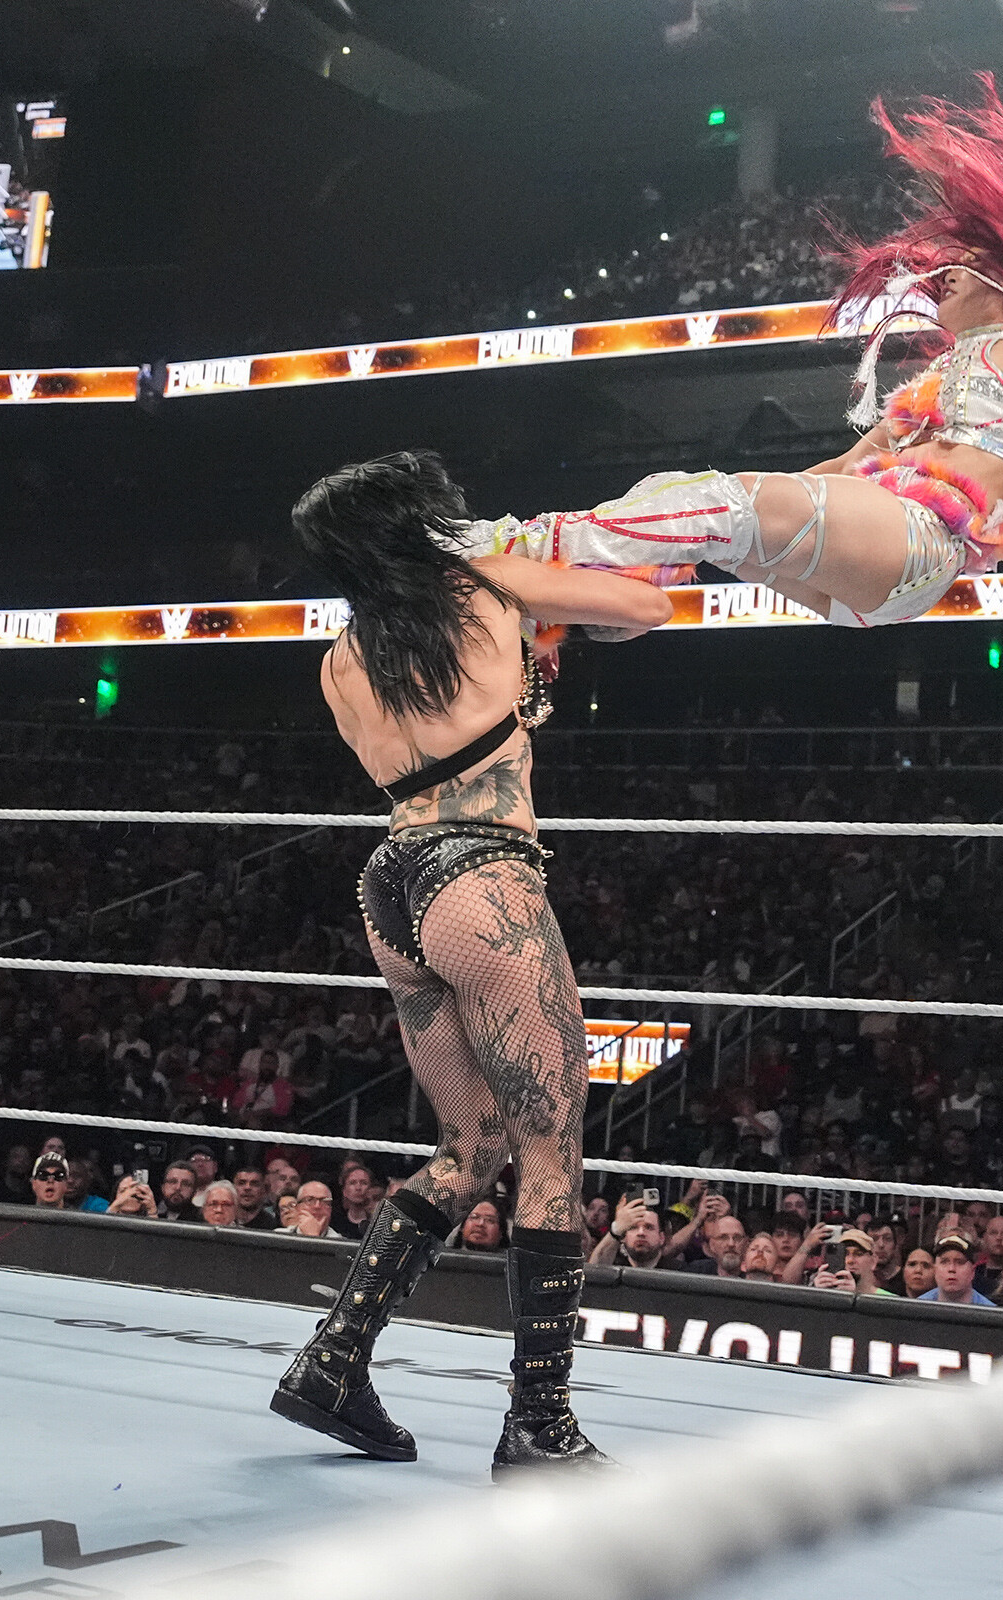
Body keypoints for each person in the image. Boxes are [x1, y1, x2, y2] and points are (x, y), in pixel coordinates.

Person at [466, 80, 1003, 632]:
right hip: (864, 568)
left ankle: (514, 544)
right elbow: (846, 469)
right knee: (687, 492)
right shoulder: (934, 381)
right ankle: (594, 603)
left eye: (961, 260)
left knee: (723, 504)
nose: (940, 274)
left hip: (919, 543)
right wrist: (757, 504)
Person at [273, 452, 670, 1476]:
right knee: (550, 1155)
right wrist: (537, 570)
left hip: (393, 888)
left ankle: (331, 1362)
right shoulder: (483, 583)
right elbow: (647, 606)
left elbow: (448, 723)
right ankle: (539, 1424)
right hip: (483, 882)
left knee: (470, 1147)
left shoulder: (340, 658)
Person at [588, 1198, 669, 1270]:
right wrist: (616, 1229)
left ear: (662, 1238)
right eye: (633, 1227)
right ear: (623, 1237)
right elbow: (593, 1272)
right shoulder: (613, 1264)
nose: (641, 1233)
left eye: (648, 1227)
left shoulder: (675, 1271)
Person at [918, 1233, 996, 1306]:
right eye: (944, 1262)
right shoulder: (918, 1308)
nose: (951, 1269)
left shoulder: (989, 1311)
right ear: (935, 1270)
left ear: (972, 1272)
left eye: (960, 1262)